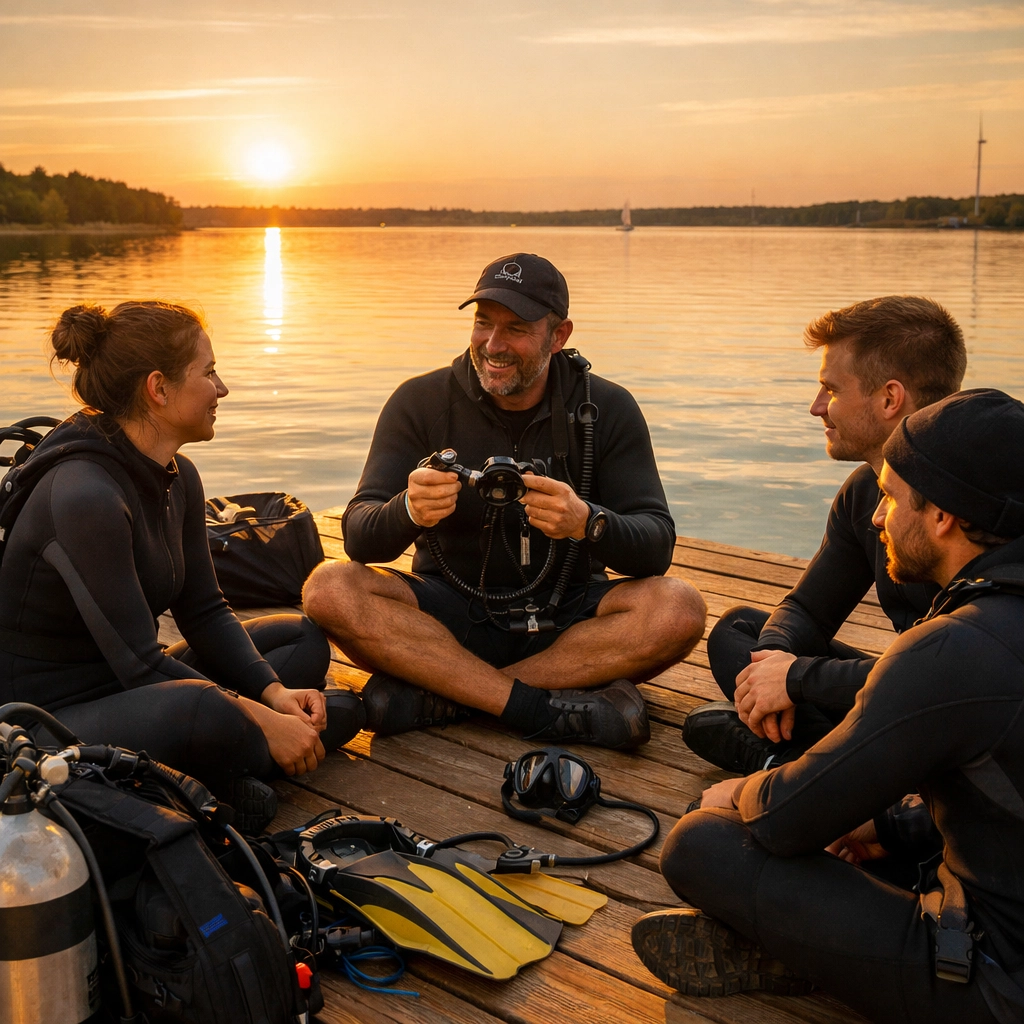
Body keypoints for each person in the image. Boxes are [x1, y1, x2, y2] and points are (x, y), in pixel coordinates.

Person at [633, 388, 1024, 1024]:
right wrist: (887, 825)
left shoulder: (959, 645)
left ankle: (807, 959)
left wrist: (735, 796)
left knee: (701, 844)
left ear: (944, 517)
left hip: (993, 983)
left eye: (894, 497)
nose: (878, 517)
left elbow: (786, 820)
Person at [303, 253, 706, 749]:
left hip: (567, 618)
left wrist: (587, 521)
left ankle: (451, 694)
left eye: (516, 328)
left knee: (678, 608)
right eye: (482, 323)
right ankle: (532, 706)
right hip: (445, 614)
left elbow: (656, 546)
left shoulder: (606, 407)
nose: (493, 345)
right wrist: (407, 509)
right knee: (329, 587)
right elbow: (360, 537)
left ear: (558, 336)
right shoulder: (420, 400)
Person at [0, 301, 363, 829]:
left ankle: (204, 774)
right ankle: (212, 775)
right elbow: (141, 665)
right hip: (47, 721)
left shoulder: (177, 475)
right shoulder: (84, 495)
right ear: (159, 388)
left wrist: (273, 695)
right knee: (222, 712)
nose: (223, 388)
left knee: (301, 641)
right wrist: (262, 718)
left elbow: (206, 610)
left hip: (131, 687)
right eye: (209, 372)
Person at [685, 296, 966, 774]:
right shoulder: (864, 492)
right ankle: (803, 761)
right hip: (899, 692)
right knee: (742, 632)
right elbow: (809, 609)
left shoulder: (974, 496)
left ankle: (809, 771)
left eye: (830, 389)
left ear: (889, 398)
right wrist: (773, 663)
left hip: (970, 707)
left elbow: (957, 676)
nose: (816, 407)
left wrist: (797, 680)